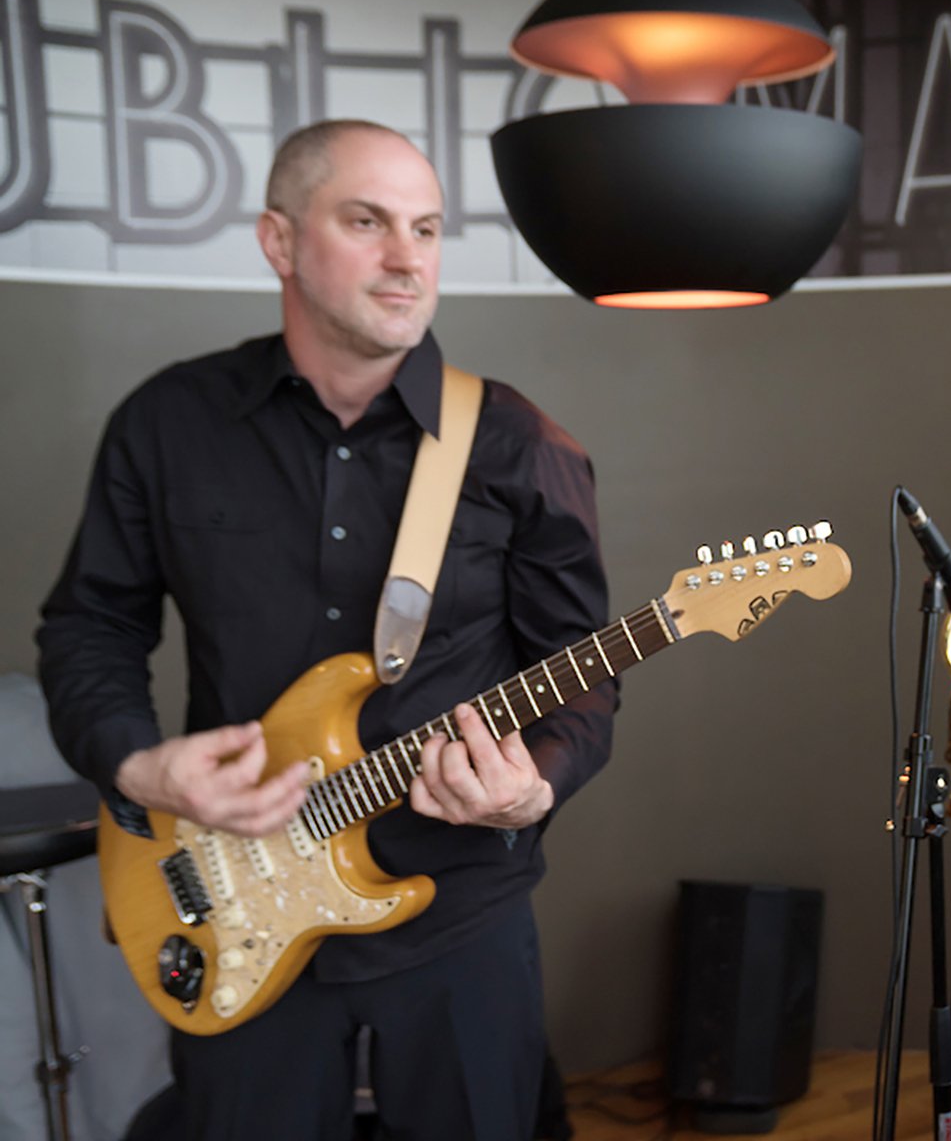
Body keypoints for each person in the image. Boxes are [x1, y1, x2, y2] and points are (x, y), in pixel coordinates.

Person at [36, 119, 617, 1141]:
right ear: (279, 240)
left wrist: (536, 784)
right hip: (229, 897)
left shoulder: (519, 444)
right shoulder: (169, 423)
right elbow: (90, 625)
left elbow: (583, 675)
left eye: (426, 229)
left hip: (458, 914)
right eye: (366, 222)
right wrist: (139, 767)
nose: (407, 258)